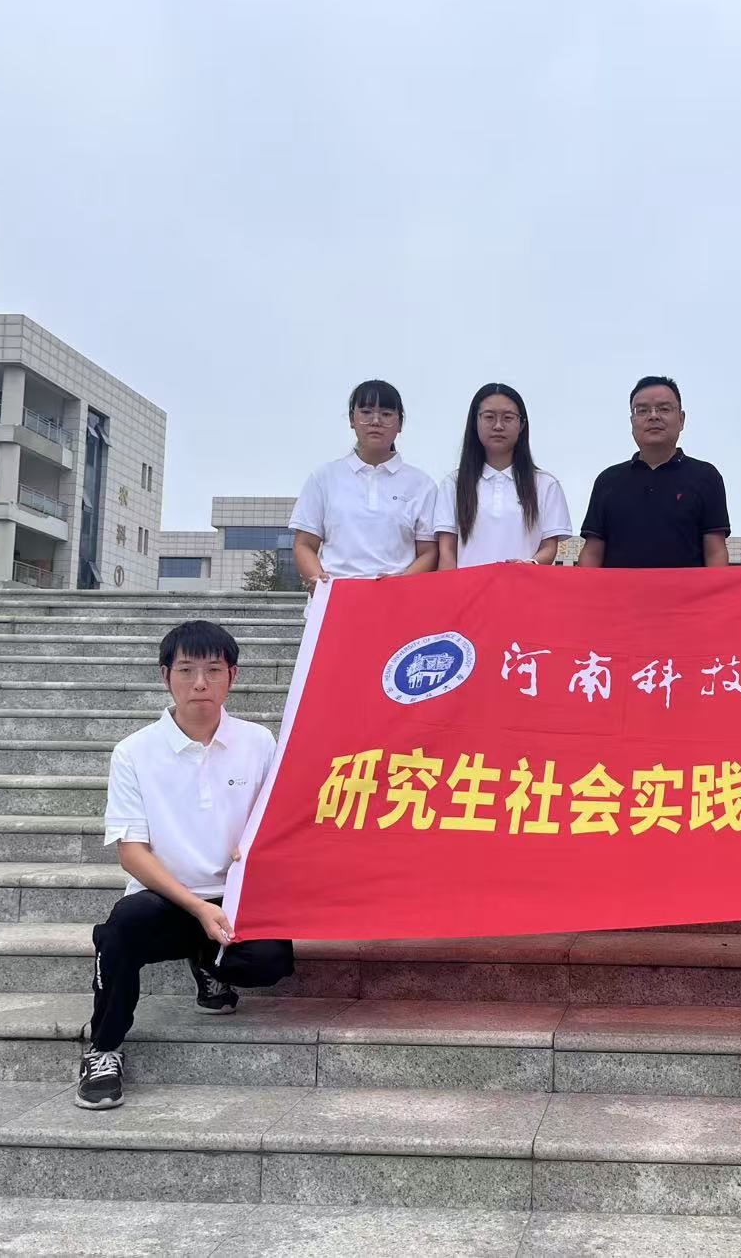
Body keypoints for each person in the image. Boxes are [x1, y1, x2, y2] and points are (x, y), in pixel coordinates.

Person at [76, 621, 293, 1110]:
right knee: (122, 930)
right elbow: (132, 852)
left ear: (232, 676)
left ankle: (209, 964)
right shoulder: (134, 752)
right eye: (187, 670)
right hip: (167, 897)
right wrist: (197, 907)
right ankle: (103, 1049)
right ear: (165, 676)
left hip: (235, 898)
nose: (200, 683)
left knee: (271, 962)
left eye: (213, 670)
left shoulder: (258, 742)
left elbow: (276, 819)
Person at [290, 379, 438, 593]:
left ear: (400, 424)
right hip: (336, 596)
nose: (376, 421)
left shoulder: (422, 484)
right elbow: (304, 544)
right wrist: (318, 581)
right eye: (366, 412)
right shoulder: (324, 477)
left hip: (398, 599)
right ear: (352, 419)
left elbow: (429, 551)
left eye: (386, 414)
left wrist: (401, 583)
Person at [578, 375, 731, 568]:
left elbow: (715, 552)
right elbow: (592, 552)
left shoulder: (706, 476)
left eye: (664, 409)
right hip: (619, 588)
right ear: (632, 421)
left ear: (681, 419)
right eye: (642, 410)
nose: (653, 416)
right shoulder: (608, 480)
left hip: (686, 588)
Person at [436, 383, 572, 568]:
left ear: (521, 424)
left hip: (523, 583)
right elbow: (447, 552)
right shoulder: (454, 484)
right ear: (475, 422)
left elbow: (549, 547)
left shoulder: (545, 484)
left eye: (508, 418)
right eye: (489, 417)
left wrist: (528, 564)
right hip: (470, 586)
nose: (498, 426)